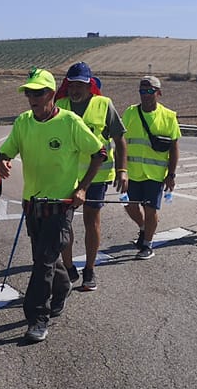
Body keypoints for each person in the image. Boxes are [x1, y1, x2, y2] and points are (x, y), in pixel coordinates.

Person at [0, 68, 106, 343]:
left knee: (43, 261)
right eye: (29, 93)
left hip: (61, 205)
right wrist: (3, 161)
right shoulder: (23, 122)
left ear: (51, 95)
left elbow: (99, 153)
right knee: (44, 259)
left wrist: (82, 188)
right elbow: (7, 149)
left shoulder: (69, 122)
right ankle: (64, 284)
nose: (32, 98)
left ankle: (37, 318)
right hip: (33, 204)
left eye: (38, 93)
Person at [56, 62, 126, 291]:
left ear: (90, 85)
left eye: (81, 85)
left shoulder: (104, 105)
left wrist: (122, 170)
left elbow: (119, 139)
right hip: (65, 177)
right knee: (63, 226)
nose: (75, 90)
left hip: (96, 176)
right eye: (72, 84)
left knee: (91, 221)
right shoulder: (60, 105)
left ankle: (89, 269)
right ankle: (68, 268)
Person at [122, 76, 180, 259]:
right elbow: (121, 142)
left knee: (151, 210)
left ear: (158, 93)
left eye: (149, 91)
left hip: (155, 174)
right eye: (142, 91)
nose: (145, 95)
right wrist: (120, 170)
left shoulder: (169, 116)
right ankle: (144, 228)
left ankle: (147, 244)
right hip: (133, 173)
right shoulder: (130, 113)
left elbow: (174, 148)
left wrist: (171, 175)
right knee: (130, 206)